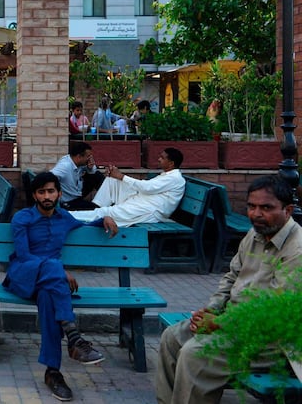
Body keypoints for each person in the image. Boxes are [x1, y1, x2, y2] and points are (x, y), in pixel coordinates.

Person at [156, 175, 302, 404]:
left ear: (288, 210)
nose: (256, 214)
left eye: (266, 207)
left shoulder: (297, 249)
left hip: (272, 340)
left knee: (195, 355)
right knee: (171, 337)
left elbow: (271, 310)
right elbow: (231, 276)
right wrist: (210, 311)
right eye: (252, 207)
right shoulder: (256, 234)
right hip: (232, 323)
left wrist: (218, 323)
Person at [3, 171, 117, 401]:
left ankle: (53, 372)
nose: (47, 196)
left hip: (49, 284)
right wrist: (60, 271)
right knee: (55, 269)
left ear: (59, 193)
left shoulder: (64, 218)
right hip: (23, 275)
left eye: (51, 191)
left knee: (48, 298)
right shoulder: (22, 218)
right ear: (35, 195)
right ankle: (74, 337)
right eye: (42, 192)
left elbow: (87, 223)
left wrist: (104, 218)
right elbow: (24, 256)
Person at [69, 147, 185, 227]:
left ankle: (68, 216)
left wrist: (122, 176)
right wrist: (118, 177)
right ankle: (95, 207)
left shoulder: (174, 178)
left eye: (163, 158)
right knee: (112, 180)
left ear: (171, 163)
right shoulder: (168, 175)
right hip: (140, 202)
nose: (159, 159)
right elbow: (148, 188)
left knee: (107, 213)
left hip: (149, 212)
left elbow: (147, 187)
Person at [50, 141, 105, 211]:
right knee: (97, 210)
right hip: (69, 202)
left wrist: (91, 167)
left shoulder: (78, 162)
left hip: (78, 192)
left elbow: (93, 172)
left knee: (97, 175)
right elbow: (49, 177)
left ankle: (102, 200)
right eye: (88, 156)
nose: (89, 159)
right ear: (79, 157)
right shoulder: (65, 166)